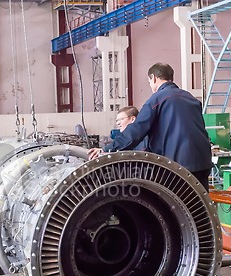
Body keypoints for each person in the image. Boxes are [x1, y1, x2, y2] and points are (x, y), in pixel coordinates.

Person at [88, 62, 212, 191]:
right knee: (199, 206)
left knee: (174, 207)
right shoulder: (190, 98)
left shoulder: (157, 99)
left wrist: (107, 149)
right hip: (203, 162)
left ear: (153, 78)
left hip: (180, 165)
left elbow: (136, 130)